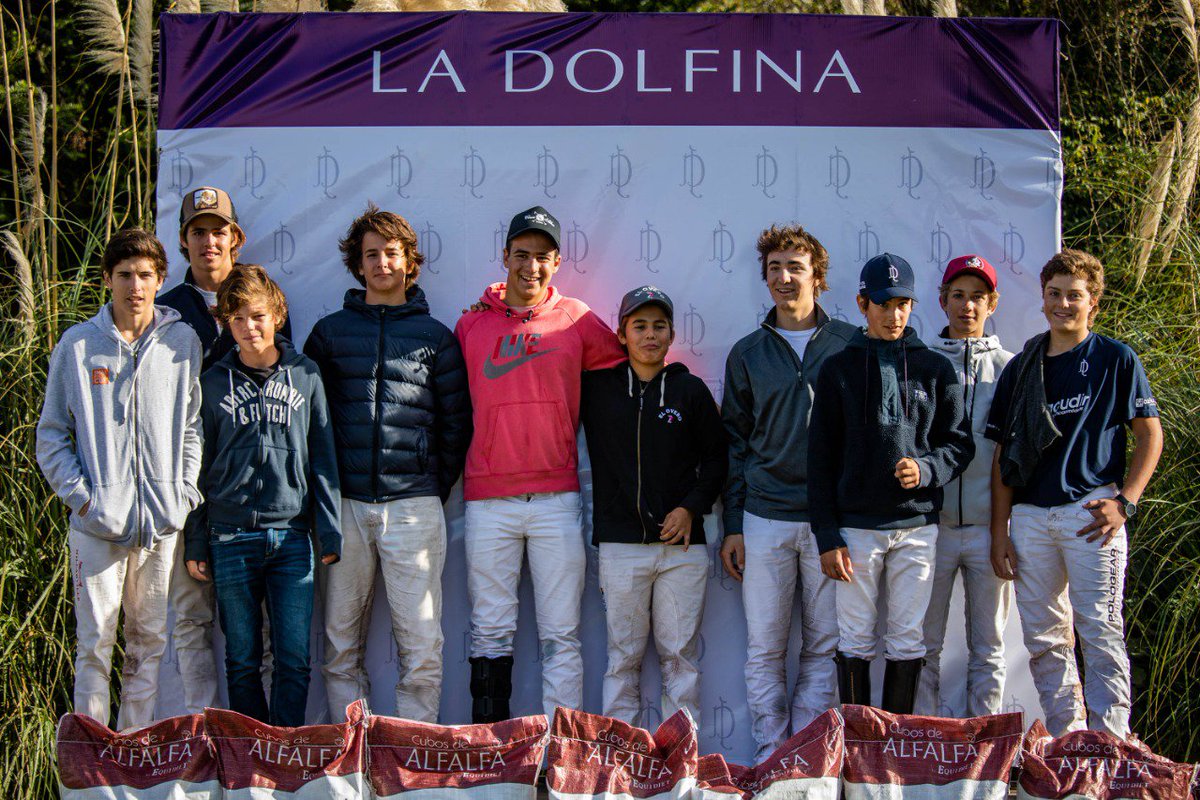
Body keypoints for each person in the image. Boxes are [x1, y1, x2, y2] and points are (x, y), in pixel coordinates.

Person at [454, 205, 623, 723]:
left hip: (556, 500)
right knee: (490, 630)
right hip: (487, 501)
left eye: (543, 257)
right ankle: (491, 751)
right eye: (522, 255)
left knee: (561, 632)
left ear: (557, 262)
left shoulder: (576, 318)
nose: (531, 266)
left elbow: (628, 368)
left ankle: (562, 752)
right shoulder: (468, 325)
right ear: (504, 256)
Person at [306, 203, 471, 723]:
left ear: (409, 263)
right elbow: (311, 423)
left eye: (391, 253)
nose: (381, 263)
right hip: (345, 506)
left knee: (421, 643)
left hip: (414, 506)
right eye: (370, 254)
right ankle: (350, 759)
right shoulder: (329, 334)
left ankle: (409, 758)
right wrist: (328, 495)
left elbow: (455, 425)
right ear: (357, 265)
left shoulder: (436, 338)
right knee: (339, 643)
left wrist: (427, 487)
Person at [987, 249, 1162, 739]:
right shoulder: (1021, 366)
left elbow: (1150, 433)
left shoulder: (1115, 358)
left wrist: (1125, 501)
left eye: (1075, 296)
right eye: (1055, 294)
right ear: (1042, 299)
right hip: (1029, 520)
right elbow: (1003, 458)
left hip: (1092, 512)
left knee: (1100, 632)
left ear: (1094, 304)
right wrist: (999, 531)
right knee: (1045, 641)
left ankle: (1111, 742)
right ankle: (1070, 741)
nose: (1064, 304)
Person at [36, 229, 203, 729]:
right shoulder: (79, 345)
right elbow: (52, 436)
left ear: (160, 280)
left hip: (160, 526)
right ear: (107, 278)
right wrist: (85, 502)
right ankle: (92, 767)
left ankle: (133, 756)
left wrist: (184, 494)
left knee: (148, 642)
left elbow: (192, 425)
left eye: (146, 275)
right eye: (125, 275)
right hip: (97, 527)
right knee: (95, 642)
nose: (136, 285)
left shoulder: (183, 342)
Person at [808, 252, 973, 715]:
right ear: (862, 304)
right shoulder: (837, 370)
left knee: (907, 638)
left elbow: (958, 445)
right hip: (856, 530)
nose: (894, 314)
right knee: (855, 637)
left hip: (917, 527)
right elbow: (818, 459)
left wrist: (927, 469)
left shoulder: (936, 369)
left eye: (903, 303)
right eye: (883, 303)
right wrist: (826, 535)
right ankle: (858, 749)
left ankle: (893, 750)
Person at [719, 224, 855, 760]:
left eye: (794, 267)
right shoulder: (748, 353)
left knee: (824, 647)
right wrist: (733, 523)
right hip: (765, 517)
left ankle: (808, 759)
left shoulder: (850, 343)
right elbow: (734, 443)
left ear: (817, 277)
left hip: (832, 522)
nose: (783, 277)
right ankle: (771, 758)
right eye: (774, 268)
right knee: (765, 649)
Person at [183, 264, 340, 726]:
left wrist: (327, 532)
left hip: (293, 537)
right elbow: (197, 467)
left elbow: (322, 456)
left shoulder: (306, 375)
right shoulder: (211, 383)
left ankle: (286, 756)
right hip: (229, 537)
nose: (248, 328)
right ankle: (251, 759)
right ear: (224, 323)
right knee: (242, 659)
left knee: (293, 660)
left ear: (276, 315)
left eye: (256, 316)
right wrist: (197, 539)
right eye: (236, 319)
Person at [159, 186, 292, 713]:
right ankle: (202, 739)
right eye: (198, 232)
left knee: (253, 632)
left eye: (219, 231)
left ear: (236, 238)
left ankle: (254, 748)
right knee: (190, 619)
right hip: (182, 486)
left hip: (250, 496)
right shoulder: (164, 311)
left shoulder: (264, 302)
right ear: (184, 242)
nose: (209, 241)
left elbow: (286, 393)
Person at [580, 286, 728, 727]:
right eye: (639, 326)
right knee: (621, 660)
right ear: (621, 334)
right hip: (621, 547)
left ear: (671, 334)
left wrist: (692, 508)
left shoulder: (691, 391)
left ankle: (680, 764)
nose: (650, 335)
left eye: (658, 326)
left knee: (680, 660)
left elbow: (719, 459)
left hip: (682, 551)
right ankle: (619, 762)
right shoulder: (597, 390)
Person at [916, 255, 1015, 718]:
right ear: (942, 301)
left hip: (986, 528)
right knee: (922, 646)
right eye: (958, 295)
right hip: (929, 529)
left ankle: (986, 752)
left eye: (978, 296)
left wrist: (1003, 529)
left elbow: (1012, 455)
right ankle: (924, 746)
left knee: (989, 648)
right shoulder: (920, 363)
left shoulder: (1011, 368)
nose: (967, 306)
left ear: (992, 302)